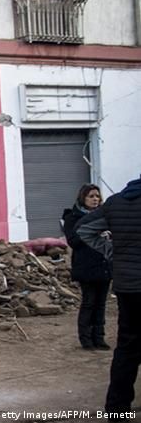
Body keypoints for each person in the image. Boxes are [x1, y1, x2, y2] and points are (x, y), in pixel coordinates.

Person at [77, 174, 141, 415]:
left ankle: (117, 408)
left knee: (127, 347)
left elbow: (83, 230)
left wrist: (113, 253)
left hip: (127, 287)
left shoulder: (115, 203)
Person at [61, 183, 111, 350]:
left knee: (101, 304)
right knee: (89, 302)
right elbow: (73, 241)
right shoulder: (73, 218)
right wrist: (91, 232)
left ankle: (99, 337)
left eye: (97, 196)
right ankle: (86, 339)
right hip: (86, 267)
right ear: (83, 198)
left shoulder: (104, 217)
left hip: (103, 265)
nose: (95, 199)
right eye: (91, 196)